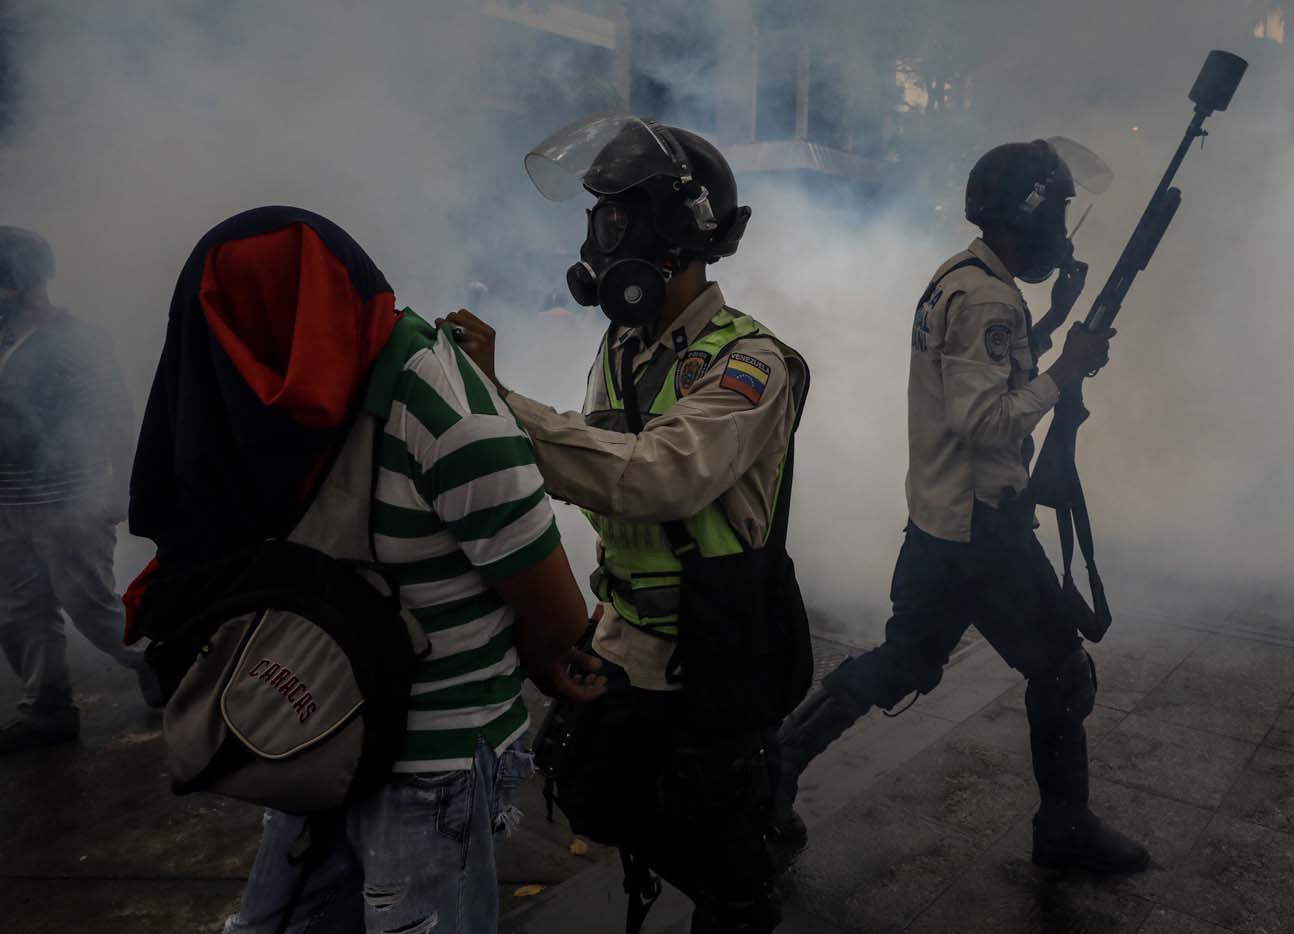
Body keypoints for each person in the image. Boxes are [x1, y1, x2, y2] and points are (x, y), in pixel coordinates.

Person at [124, 207, 599, 934]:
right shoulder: (266, 418)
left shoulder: (447, 415)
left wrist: (542, 660)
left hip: (429, 768)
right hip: (315, 734)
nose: (249, 369)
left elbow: (560, 617)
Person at [447, 115, 810, 933]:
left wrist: (502, 408)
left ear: (673, 235)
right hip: (626, 638)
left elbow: (653, 476)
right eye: (598, 219)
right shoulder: (623, 345)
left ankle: (746, 871)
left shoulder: (751, 360)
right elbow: (600, 472)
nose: (601, 240)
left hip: (710, 656)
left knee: (727, 871)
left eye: (616, 219)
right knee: (585, 787)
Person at [772, 139, 1151, 873]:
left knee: (905, 661)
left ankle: (781, 757)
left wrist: (1049, 325)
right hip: (983, 534)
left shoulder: (964, 278)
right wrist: (1066, 370)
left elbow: (983, 379)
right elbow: (985, 419)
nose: (1064, 231)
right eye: (1060, 212)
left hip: (942, 524)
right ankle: (1064, 830)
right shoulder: (986, 297)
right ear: (1029, 215)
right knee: (1063, 672)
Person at [0, 226, 162, 754]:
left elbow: (114, 419)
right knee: (20, 611)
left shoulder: (80, 341)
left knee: (88, 604)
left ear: (16, 284)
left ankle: (156, 660)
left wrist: (121, 491)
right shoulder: (2, 339)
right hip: (9, 504)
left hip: (70, 500)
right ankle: (47, 710)